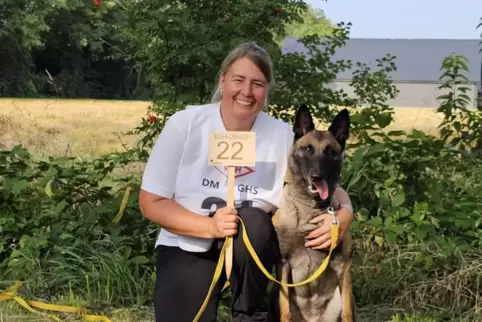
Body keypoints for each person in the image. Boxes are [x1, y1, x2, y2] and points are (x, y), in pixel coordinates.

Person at [138, 42, 354, 322]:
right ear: (223, 80)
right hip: (187, 241)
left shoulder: (281, 135)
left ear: (267, 90)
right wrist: (210, 226)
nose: (247, 92)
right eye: (238, 80)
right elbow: (151, 203)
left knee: (252, 220)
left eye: (258, 83)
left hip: (253, 248)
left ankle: (250, 313)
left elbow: (320, 181)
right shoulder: (185, 124)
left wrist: (345, 213)